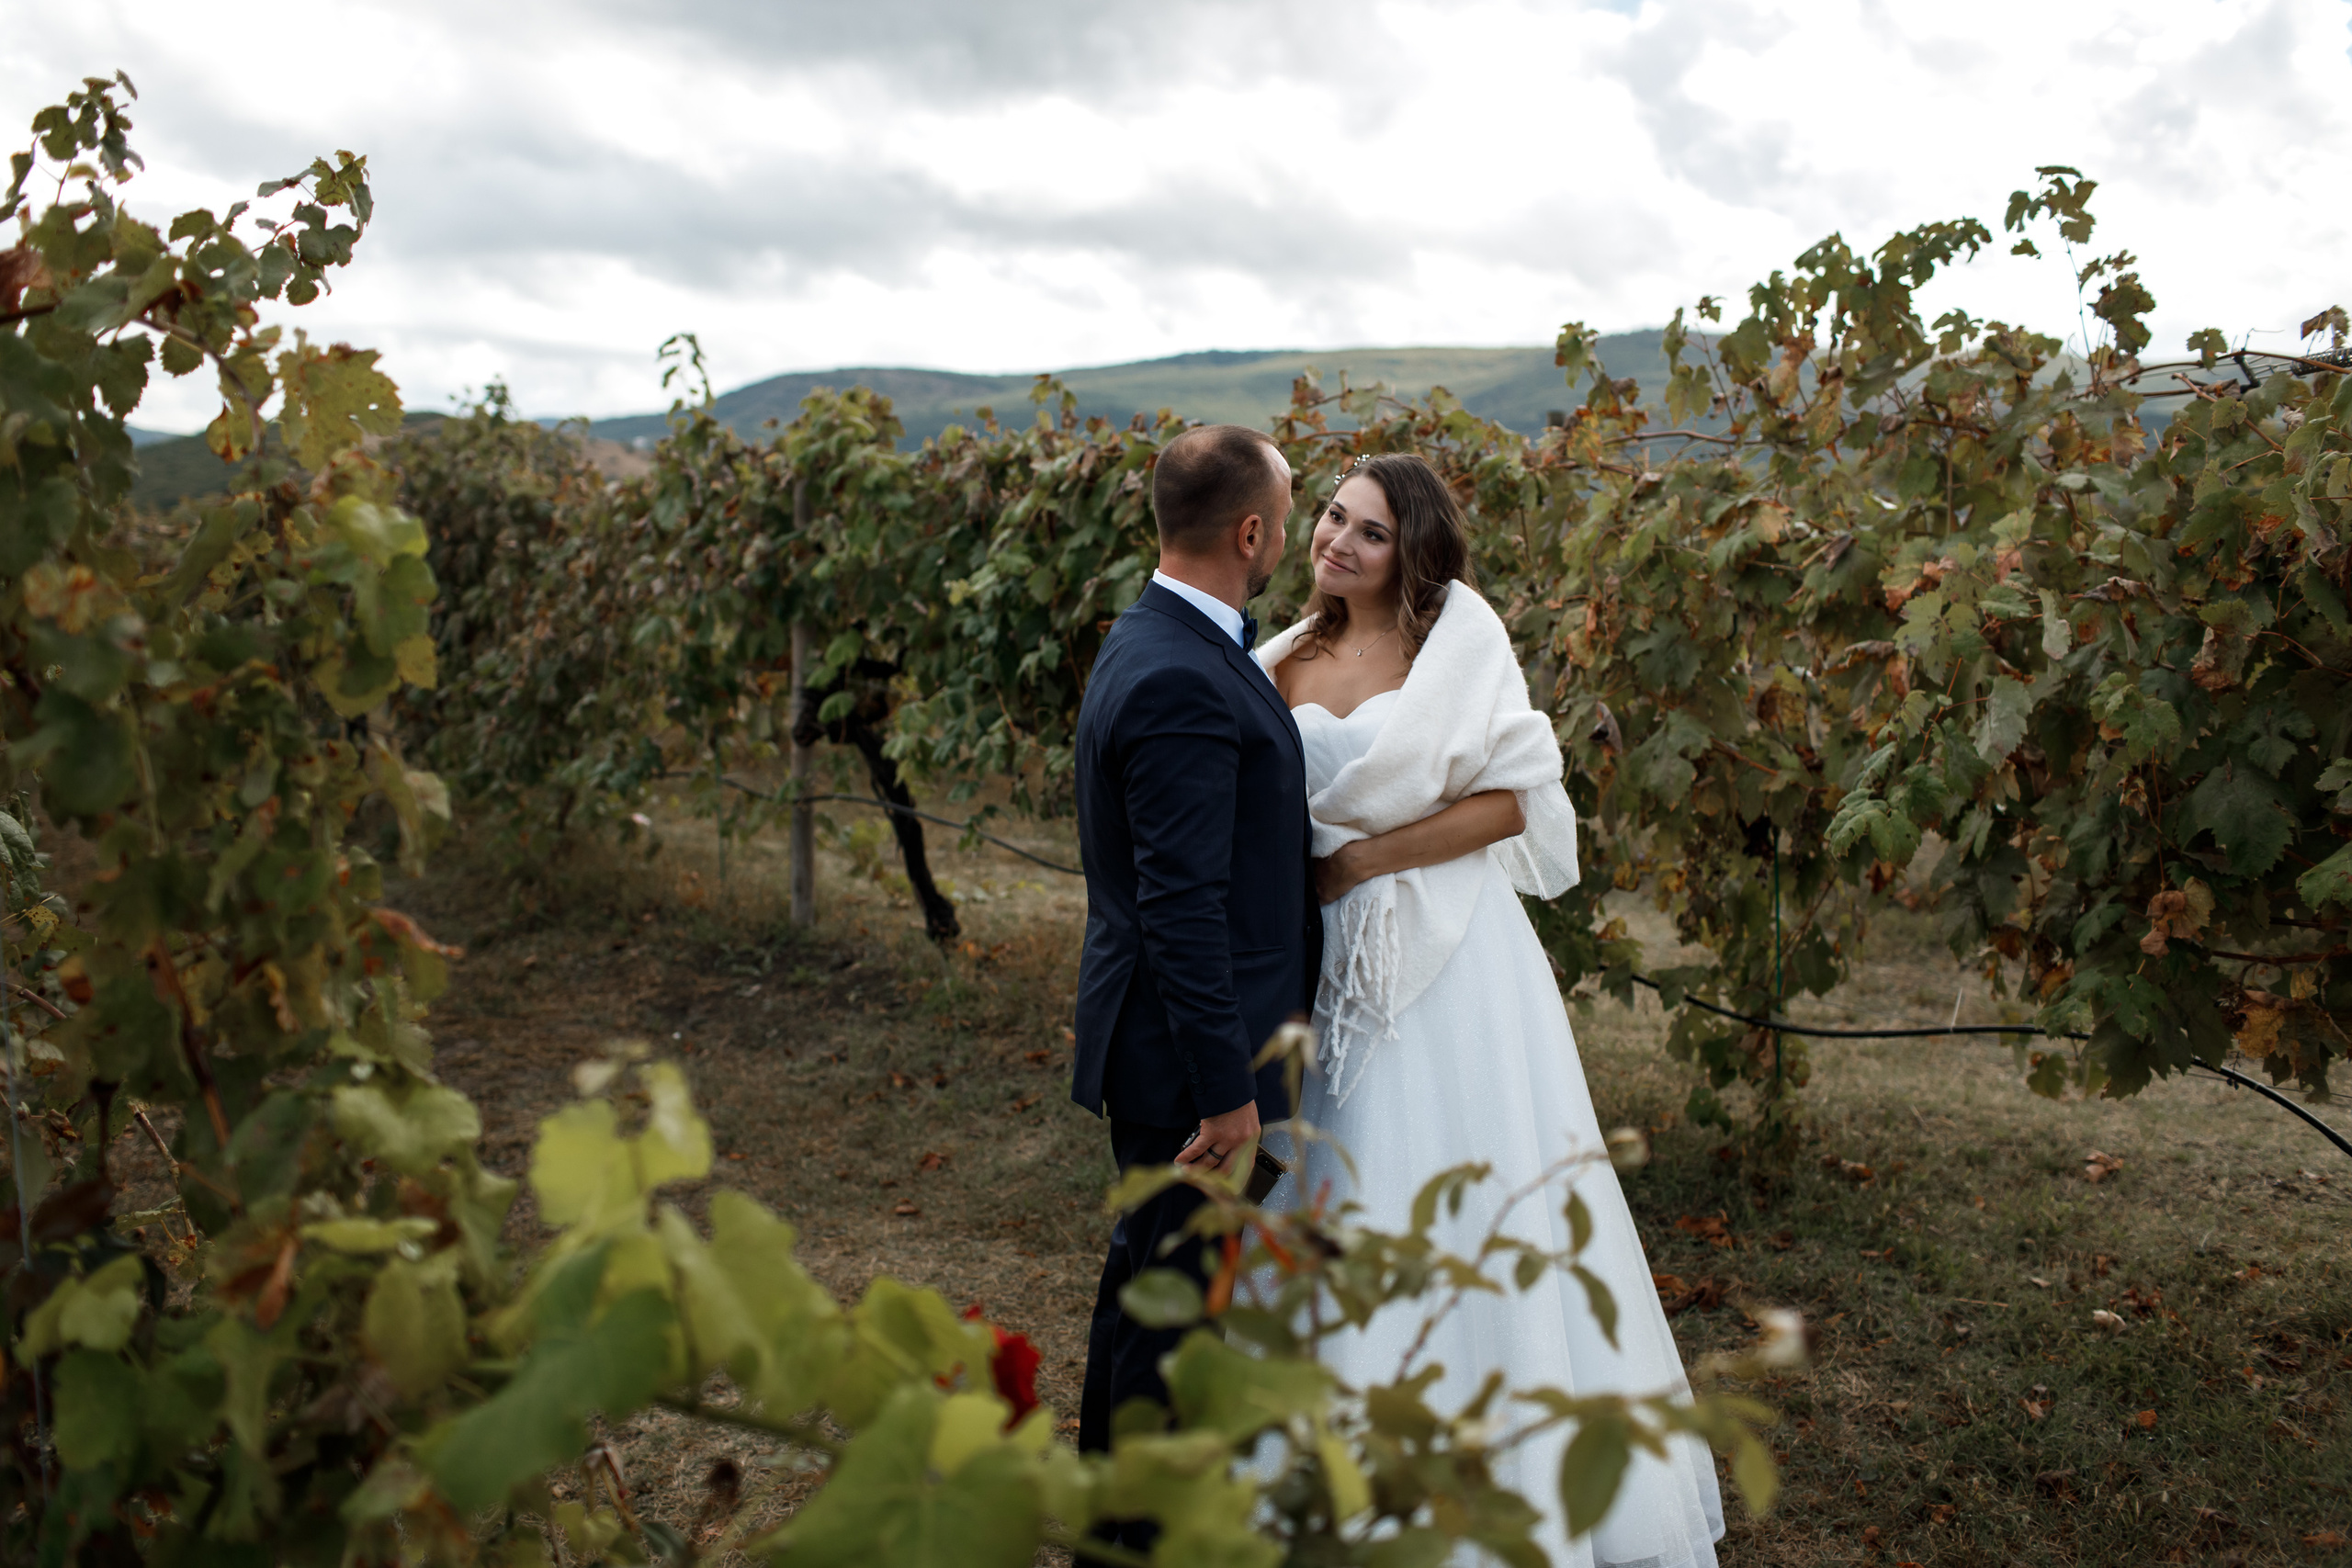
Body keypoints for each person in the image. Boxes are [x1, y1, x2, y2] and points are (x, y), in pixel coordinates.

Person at [1259, 453, 1726, 1568]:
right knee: (1328, 1184)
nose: (1337, 542)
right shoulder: (1281, 651)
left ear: (1410, 552)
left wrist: (1361, 860)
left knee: (1457, 1183)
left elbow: (1513, 799)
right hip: (1321, 959)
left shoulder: (1457, 644)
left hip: (1447, 953)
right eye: (1331, 518)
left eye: (1369, 532)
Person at [1069, 423, 1319, 1543]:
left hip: (1167, 1046)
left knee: (1150, 1299)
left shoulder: (1155, 636)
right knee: (1172, 1325)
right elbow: (1183, 907)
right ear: (1253, 531)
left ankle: (1108, 1528)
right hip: (1186, 1064)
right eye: (1294, 515)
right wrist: (1231, 1095)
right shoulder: (1179, 674)